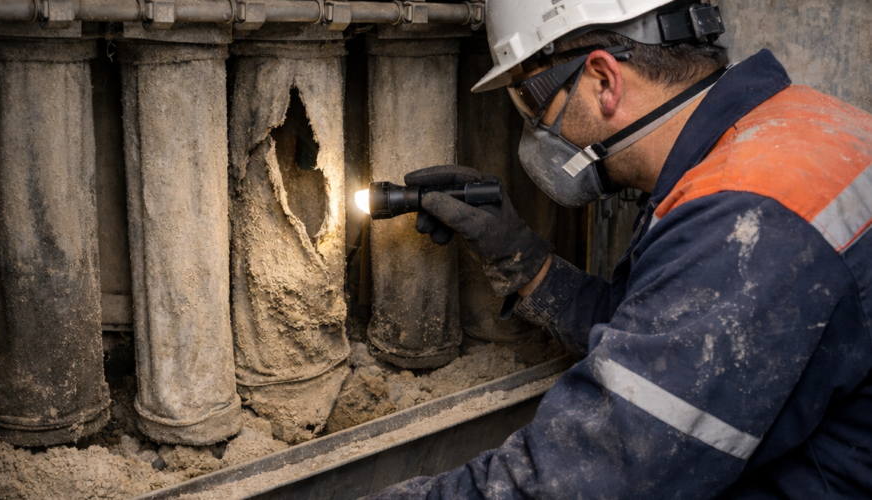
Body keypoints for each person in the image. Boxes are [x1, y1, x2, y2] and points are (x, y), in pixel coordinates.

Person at [367, 0, 872, 498]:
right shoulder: (791, 125)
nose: (536, 131)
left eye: (530, 103)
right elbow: (664, 337)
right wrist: (523, 259)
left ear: (604, 81)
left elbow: (587, 478)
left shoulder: (742, 216)